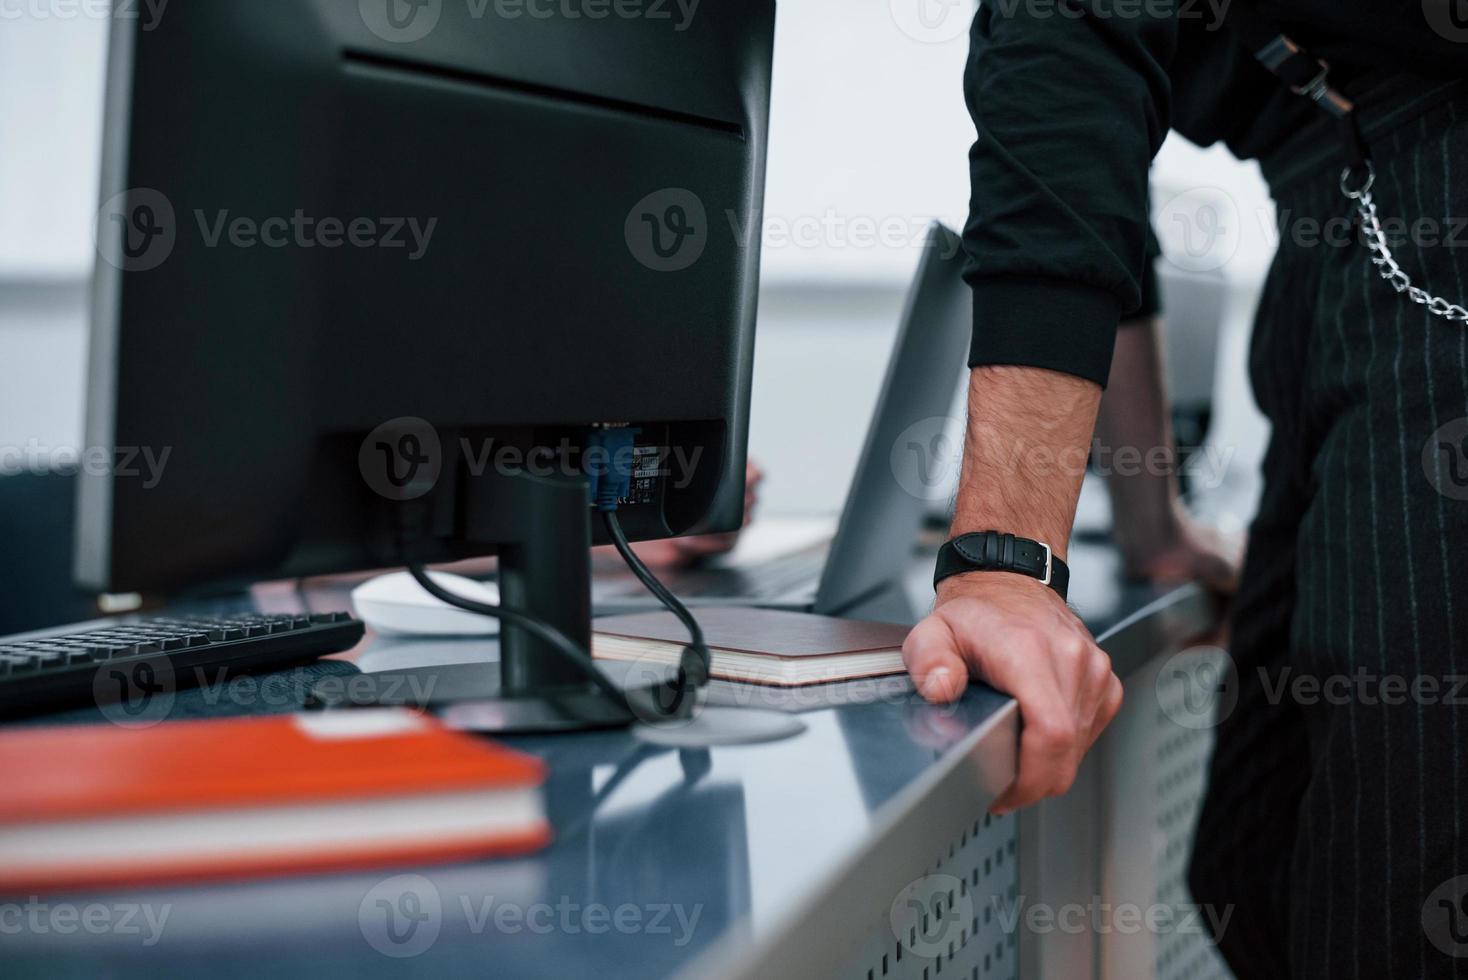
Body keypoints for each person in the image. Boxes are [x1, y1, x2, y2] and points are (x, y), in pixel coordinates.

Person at [900, 3, 1468, 977]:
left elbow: (1065, 47)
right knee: (1247, 869)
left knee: (1388, 912)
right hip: (1338, 200)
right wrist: (1150, 521)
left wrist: (1002, 561)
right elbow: (1093, 148)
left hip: (1433, 188)